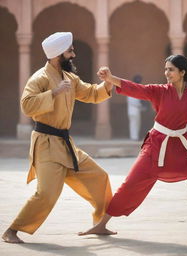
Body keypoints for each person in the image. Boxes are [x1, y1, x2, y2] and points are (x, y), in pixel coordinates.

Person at [79, 55, 187, 238]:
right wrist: (110, 78)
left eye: (170, 69)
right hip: (156, 146)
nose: (166, 73)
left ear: (182, 72)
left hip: (184, 148)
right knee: (130, 184)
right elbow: (137, 88)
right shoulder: (159, 91)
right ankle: (102, 225)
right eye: (165, 69)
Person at [2, 32, 114, 243]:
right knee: (46, 194)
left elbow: (90, 93)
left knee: (99, 177)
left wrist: (107, 83)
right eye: (69, 51)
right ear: (57, 55)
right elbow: (26, 105)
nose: (73, 54)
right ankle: (12, 231)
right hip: (46, 144)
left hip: (66, 145)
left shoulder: (70, 78)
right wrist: (52, 93)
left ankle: (100, 223)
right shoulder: (39, 78)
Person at [127, 75, 144, 140]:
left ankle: (135, 137)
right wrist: (140, 106)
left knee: (136, 124)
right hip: (134, 110)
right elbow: (134, 102)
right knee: (134, 124)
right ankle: (134, 137)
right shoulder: (132, 90)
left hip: (135, 110)